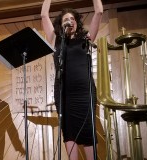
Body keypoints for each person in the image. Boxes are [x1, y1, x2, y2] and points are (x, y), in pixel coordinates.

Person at [41, 0, 103, 160]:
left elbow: (99, 12)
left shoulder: (87, 39)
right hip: (64, 95)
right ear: (60, 25)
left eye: (73, 19)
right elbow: (43, 14)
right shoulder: (55, 40)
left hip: (84, 94)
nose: (70, 22)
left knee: (88, 133)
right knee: (69, 134)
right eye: (66, 20)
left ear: (77, 23)